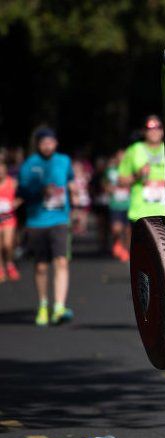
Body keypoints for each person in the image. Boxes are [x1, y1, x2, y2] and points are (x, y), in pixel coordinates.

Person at [17, 128, 74, 326]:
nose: (47, 146)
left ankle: (59, 306)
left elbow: (71, 183)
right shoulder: (29, 164)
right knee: (41, 266)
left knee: (61, 261)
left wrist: (76, 209)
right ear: (38, 144)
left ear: (56, 143)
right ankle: (43, 304)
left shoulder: (64, 161)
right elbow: (21, 191)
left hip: (59, 218)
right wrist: (40, 190)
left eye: (51, 142)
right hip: (37, 220)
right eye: (43, 142)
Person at [119, 116, 165, 224]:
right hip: (140, 214)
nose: (154, 131)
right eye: (150, 127)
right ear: (143, 131)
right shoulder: (134, 150)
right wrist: (137, 175)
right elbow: (121, 181)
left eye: (158, 127)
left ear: (163, 130)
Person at [103, 150, 130, 262]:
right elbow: (104, 183)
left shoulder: (130, 171)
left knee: (128, 230)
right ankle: (118, 243)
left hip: (129, 204)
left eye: (123, 158)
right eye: (119, 158)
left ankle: (126, 250)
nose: (121, 160)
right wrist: (108, 188)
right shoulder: (110, 171)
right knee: (116, 229)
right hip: (115, 204)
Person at [0, 152, 20, 282]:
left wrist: (15, 203)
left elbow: (23, 195)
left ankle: (10, 263)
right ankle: (1, 268)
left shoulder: (12, 183)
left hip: (8, 216)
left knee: (7, 244)